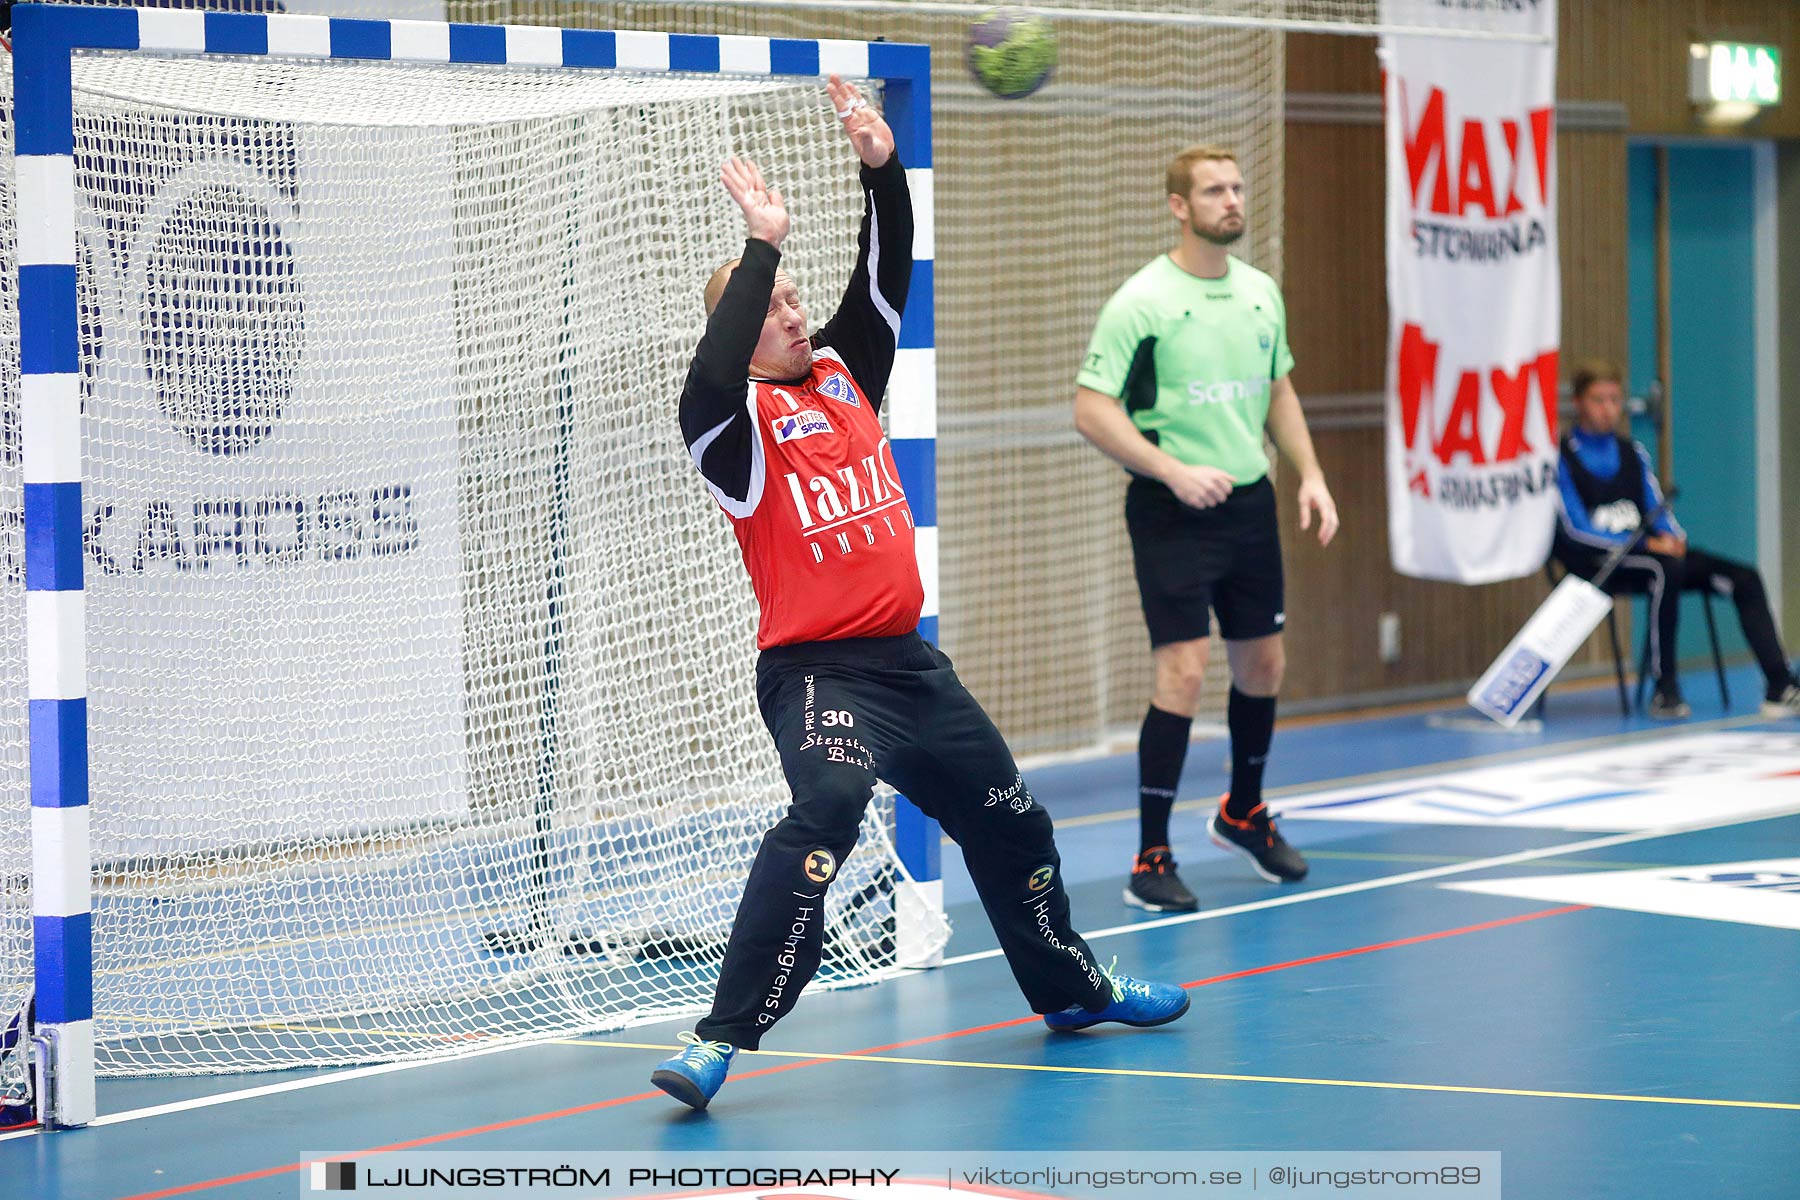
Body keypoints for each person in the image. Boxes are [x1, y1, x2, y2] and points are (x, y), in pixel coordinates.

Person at [652, 77, 1189, 1112]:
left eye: (794, 293)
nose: (794, 310)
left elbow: (888, 267)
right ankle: (721, 1038)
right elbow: (710, 376)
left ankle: (1073, 991)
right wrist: (759, 245)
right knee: (828, 811)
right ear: (734, 336)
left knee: (1015, 821)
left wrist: (881, 167)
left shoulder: (850, 373)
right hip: (819, 676)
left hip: (910, 666)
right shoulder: (730, 433)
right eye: (768, 309)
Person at [1073, 145, 1338, 914]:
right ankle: (1151, 856)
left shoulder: (1260, 293)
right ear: (1178, 206)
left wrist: (1311, 475)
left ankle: (1243, 813)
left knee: (1264, 664)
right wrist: (1170, 470)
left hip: (1249, 504)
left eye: (1237, 187)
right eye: (1214, 190)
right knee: (1184, 670)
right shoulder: (1142, 302)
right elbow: (1091, 409)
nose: (1232, 200)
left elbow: (1277, 391)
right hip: (1171, 509)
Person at [1552, 359, 1799, 720]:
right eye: (1597, 400)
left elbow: (1658, 510)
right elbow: (1576, 530)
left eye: (1614, 399)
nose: (1607, 410)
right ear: (1578, 403)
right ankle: (1664, 688)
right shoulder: (1561, 458)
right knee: (1663, 567)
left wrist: (1672, 537)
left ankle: (1781, 685)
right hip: (1600, 563)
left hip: (1654, 556)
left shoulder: (1632, 453)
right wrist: (1645, 545)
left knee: (1743, 578)